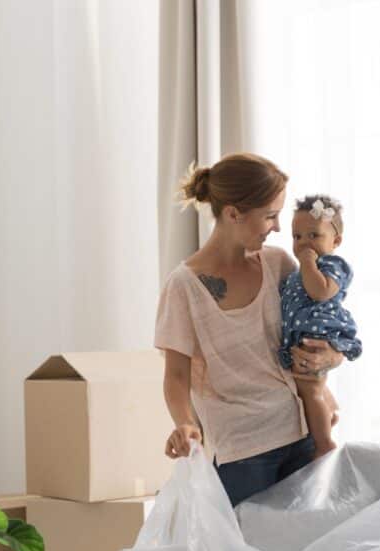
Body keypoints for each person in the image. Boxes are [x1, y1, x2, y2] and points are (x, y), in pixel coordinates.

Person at [154, 153, 346, 507]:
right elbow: (176, 378)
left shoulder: (277, 265)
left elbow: (323, 321)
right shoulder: (184, 287)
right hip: (243, 455)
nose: (276, 227)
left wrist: (332, 356)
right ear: (233, 214)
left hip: (303, 437)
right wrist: (184, 424)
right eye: (270, 216)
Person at [279, 194, 362, 457]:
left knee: (310, 388)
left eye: (314, 235)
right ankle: (327, 416)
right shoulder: (300, 269)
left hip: (319, 332)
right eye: (297, 236)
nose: (304, 243)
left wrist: (306, 263)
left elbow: (320, 292)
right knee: (309, 390)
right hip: (301, 332)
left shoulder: (332, 265)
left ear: (335, 241)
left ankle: (324, 442)